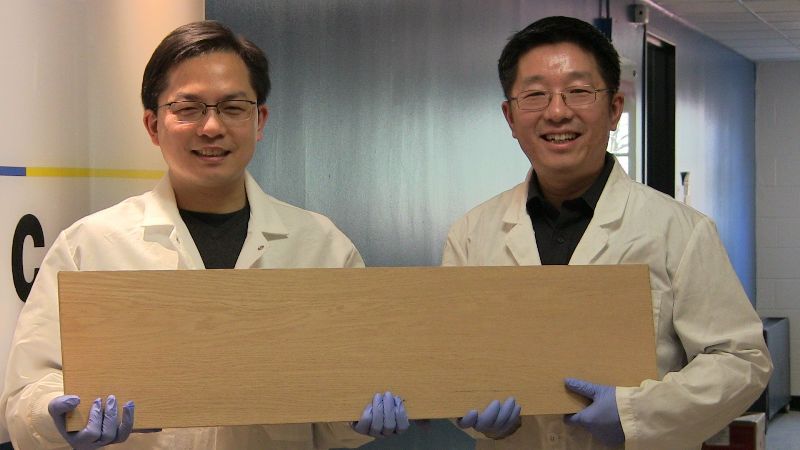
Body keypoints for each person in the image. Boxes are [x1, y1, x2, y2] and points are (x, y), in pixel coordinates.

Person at [1, 20, 410, 450]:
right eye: (189, 108)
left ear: (260, 120)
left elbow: (336, 410)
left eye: (233, 107)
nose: (212, 127)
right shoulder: (89, 245)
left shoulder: (321, 246)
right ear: (153, 125)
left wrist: (359, 417)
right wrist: (58, 414)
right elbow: (26, 395)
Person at [442, 16, 772, 449]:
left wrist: (636, 412)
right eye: (535, 95)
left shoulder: (680, 230)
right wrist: (472, 416)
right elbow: (453, 363)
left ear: (615, 108)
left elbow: (741, 361)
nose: (557, 112)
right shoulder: (471, 233)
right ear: (510, 116)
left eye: (579, 91)